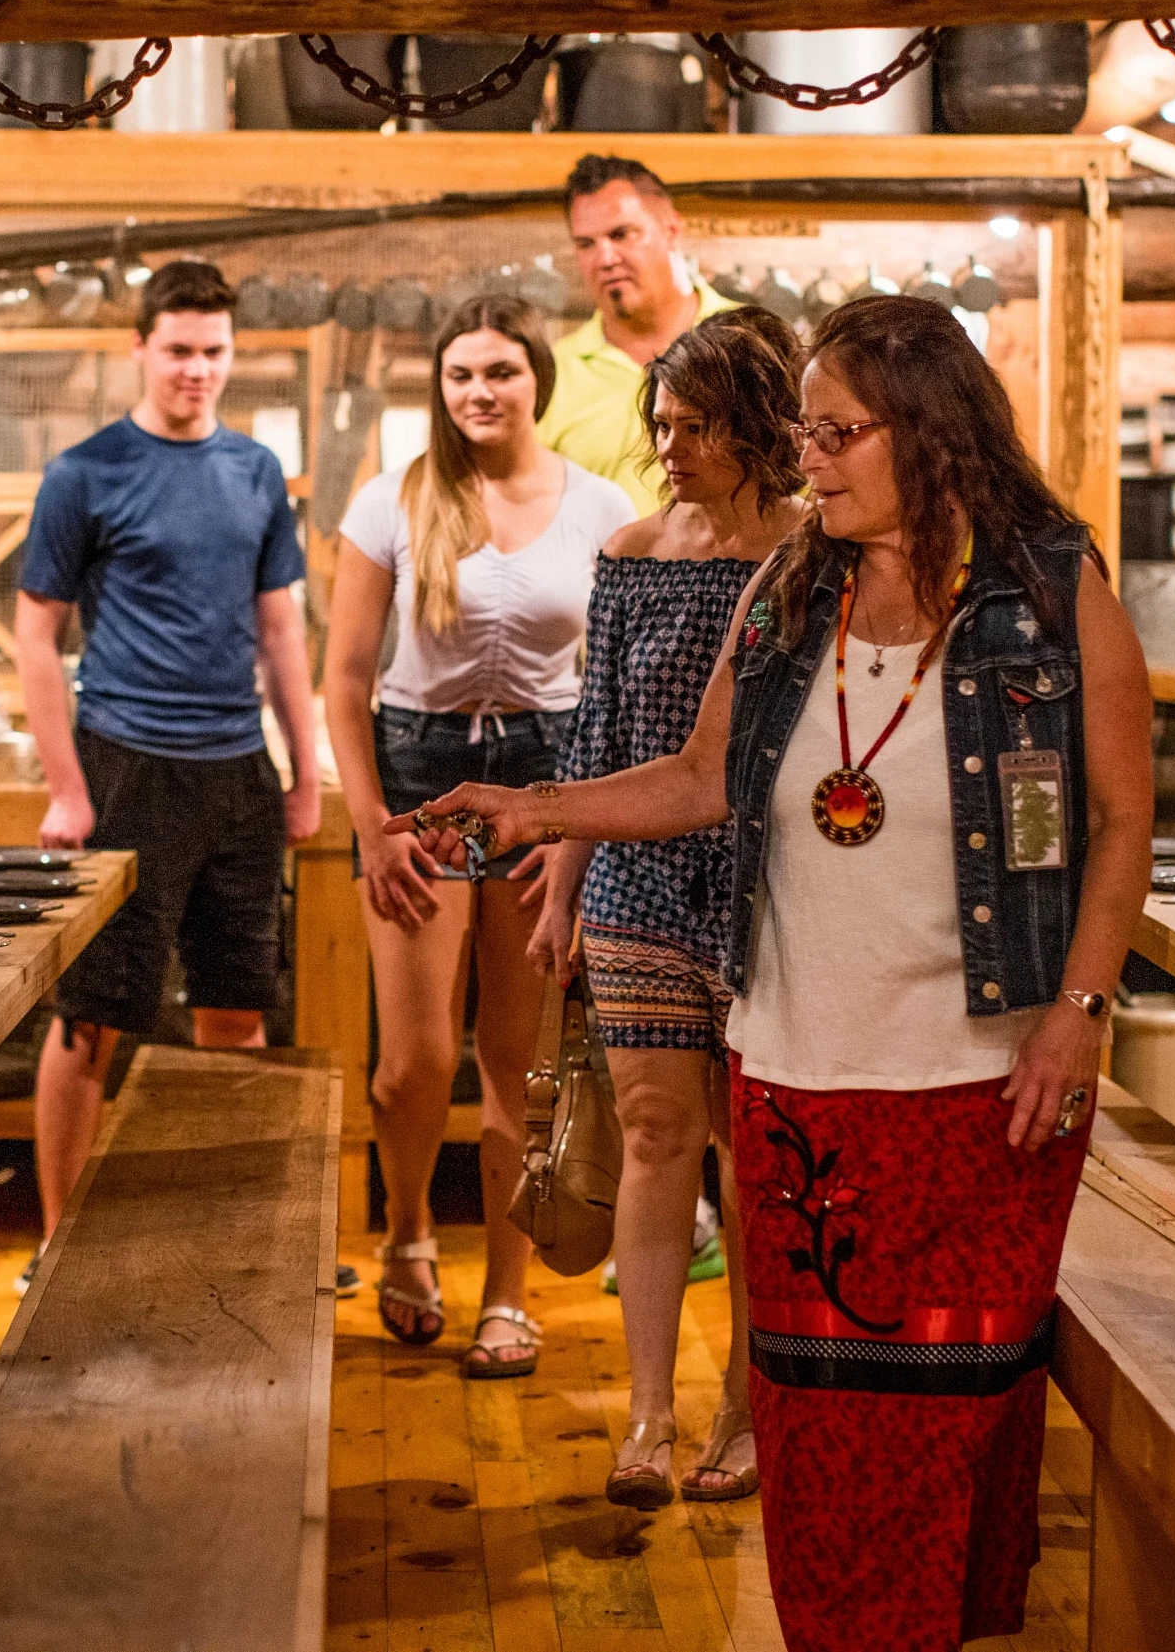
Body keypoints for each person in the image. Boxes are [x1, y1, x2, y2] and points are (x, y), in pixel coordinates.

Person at [396, 296, 1153, 1652]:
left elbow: (1115, 820)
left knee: (951, 1419)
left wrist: (1080, 1012)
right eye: (803, 427)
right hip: (800, 1080)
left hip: (988, 1089)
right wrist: (537, 813)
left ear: (928, 433)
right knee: (812, 1429)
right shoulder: (795, 586)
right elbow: (697, 778)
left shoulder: (1049, 585)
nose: (808, 455)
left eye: (837, 430)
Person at [324, 295, 634, 1378]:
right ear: (440, 388)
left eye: (499, 372)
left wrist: (579, 824)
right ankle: (406, 1231)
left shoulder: (602, 508)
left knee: (518, 1060)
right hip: (418, 770)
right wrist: (371, 824)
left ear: (536, 381)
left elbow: (616, 685)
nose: (479, 392)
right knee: (412, 1062)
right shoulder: (395, 501)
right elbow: (346, 682)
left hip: (547, 775)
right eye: (460, 375)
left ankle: (506, 1294)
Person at [532, 306, 804, 1506]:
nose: (672, 444)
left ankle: (749, 1405)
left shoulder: (810, 553)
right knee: (652, 1135)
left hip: (772, 888)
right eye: (662, 423)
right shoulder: (634, 552)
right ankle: (647, 1414)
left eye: (697, 425)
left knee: (752, 1156)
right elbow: (596, 735)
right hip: (639, 880)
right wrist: (561, 887)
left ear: (756, 426)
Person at [14, 259, 322, 1281]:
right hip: (126, 765)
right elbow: (35, 638)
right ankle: (57, 1245)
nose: (198, 369)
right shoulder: (84, 472)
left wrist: (304, 772)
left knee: (235, 1010)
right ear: (139, 349)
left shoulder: (255, 471)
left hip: (237, 767)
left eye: (215, 351)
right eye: (179, 349)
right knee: (93, 1013)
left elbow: (281, 630)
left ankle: (218, 1240)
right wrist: (67, 787)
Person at [542, 155, 740, 516]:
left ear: (672, 231)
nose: (604, 258)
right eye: (586, 243)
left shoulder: (747, 342)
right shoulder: (550, 372)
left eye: (621, 235)